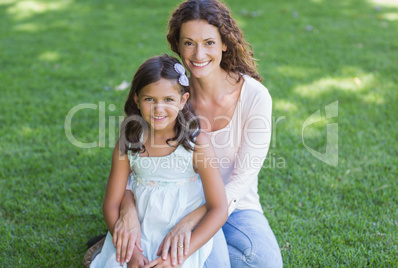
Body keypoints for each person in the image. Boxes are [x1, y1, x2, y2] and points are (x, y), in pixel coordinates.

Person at [88, 0, 283, 267]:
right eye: (189, 42)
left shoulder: (254, 97)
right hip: (166, 202)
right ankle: (128, 243)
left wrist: (191, 219)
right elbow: (142, 162)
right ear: (177, 45)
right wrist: (127, 206)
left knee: (262, 263)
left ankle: (143, 244)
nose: (199, 53)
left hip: (231, 205)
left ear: (224, 43)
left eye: (209, 42)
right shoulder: (168, 95)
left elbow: (243, 178)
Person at [89, 54, 228, 268]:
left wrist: (177, 258)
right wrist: (133, 253)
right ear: (136, 99)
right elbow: (111, 203)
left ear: (183, 100)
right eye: (149, 99)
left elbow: (218, 208)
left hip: (183, 237)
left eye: (168, 100)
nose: (158, 109)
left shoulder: (197, 143)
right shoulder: (129, 141)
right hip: (140, 230)